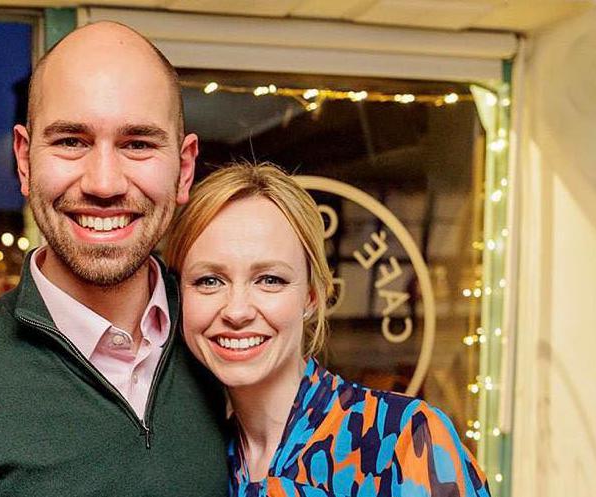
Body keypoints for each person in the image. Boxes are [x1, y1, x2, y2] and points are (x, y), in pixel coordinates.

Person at [0, 22, 229, 497]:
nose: (104, 183)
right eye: (71, 141)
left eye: (138, 143)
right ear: (25, 161)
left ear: (184, 168)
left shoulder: (229, 347)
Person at [164, 162, 491, 497]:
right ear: (178, 295)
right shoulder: (198, 462)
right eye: (209, 281)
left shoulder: (400, 439)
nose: (237, 310)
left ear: (311, 297)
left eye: (270, 280)